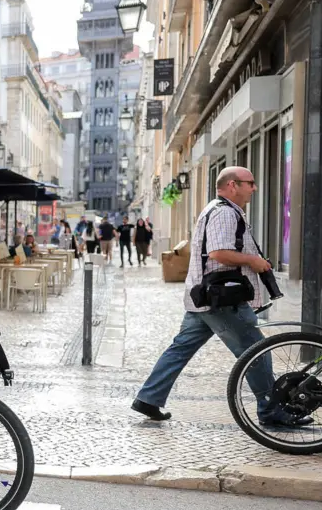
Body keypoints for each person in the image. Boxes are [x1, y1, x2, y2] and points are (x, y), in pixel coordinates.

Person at [131, 166, 308, 427]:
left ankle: (149, 397)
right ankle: (271, 410)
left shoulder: (220, 210)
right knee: (257, 351)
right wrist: (253, 261)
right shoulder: (224, 213)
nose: (254, 188)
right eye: (250, 183)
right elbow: (218, 252)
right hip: (222, 300)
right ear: (232, 185)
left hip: (205, 298)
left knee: (180, 349)